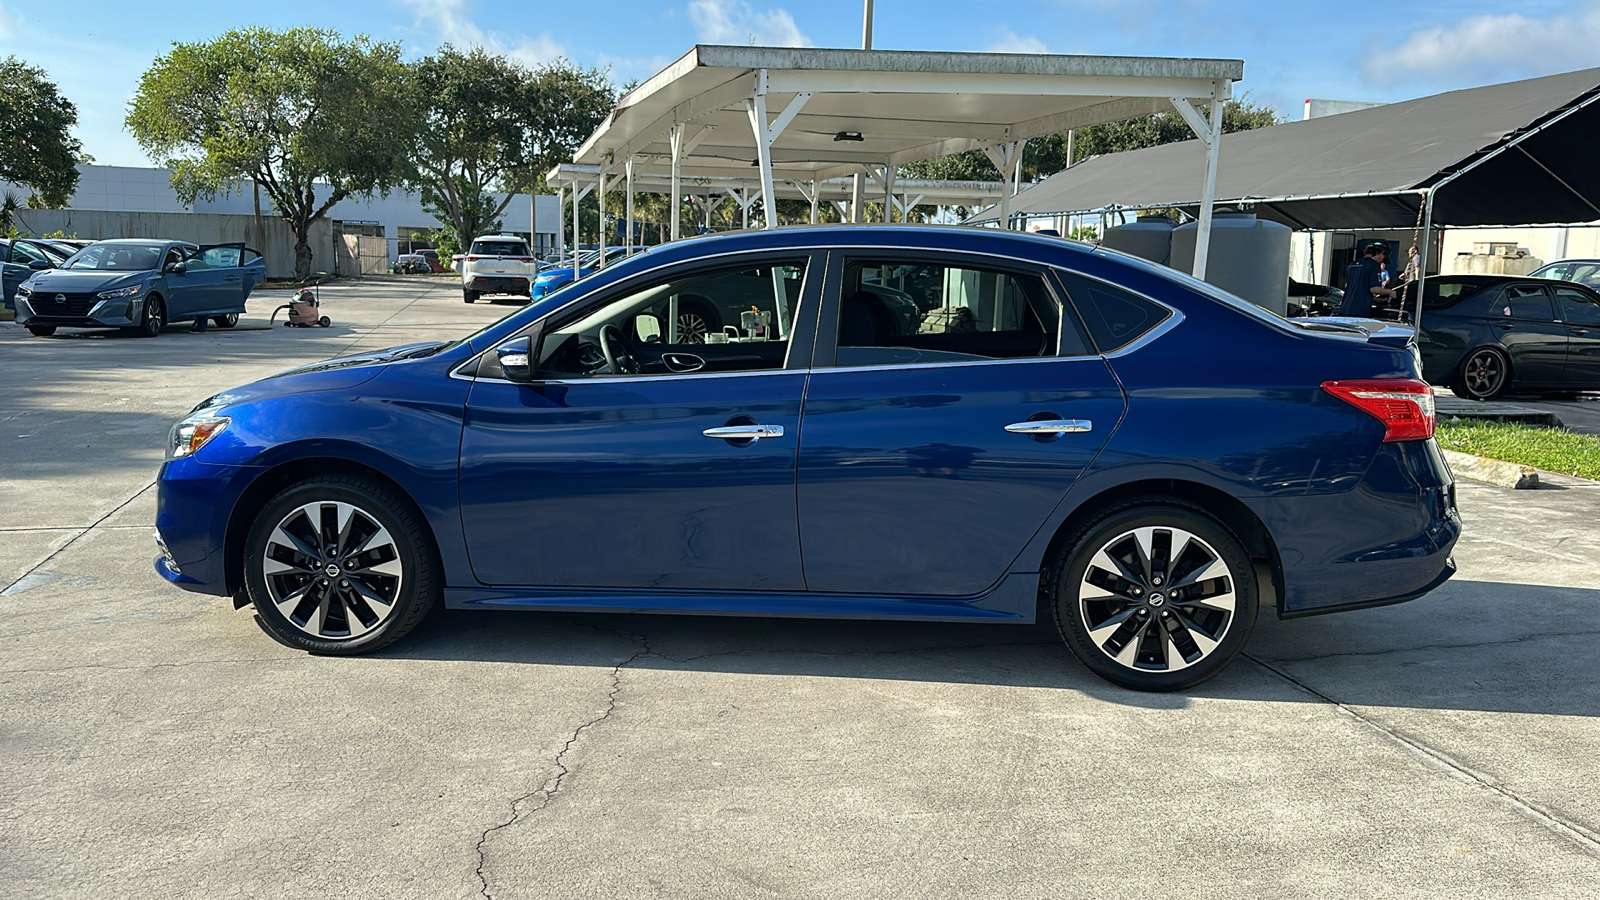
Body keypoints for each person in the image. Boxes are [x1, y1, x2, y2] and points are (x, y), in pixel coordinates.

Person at [1339, 242, 1396, 317]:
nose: (1382, 260)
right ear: (1381, 252)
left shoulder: (1353, 264)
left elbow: (1359, 290)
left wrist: (1377, 299)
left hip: (1345, 307)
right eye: (1383, 256)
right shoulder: (1374, 265)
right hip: (1360, 310)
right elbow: (1374, 289)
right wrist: (1390, 292)